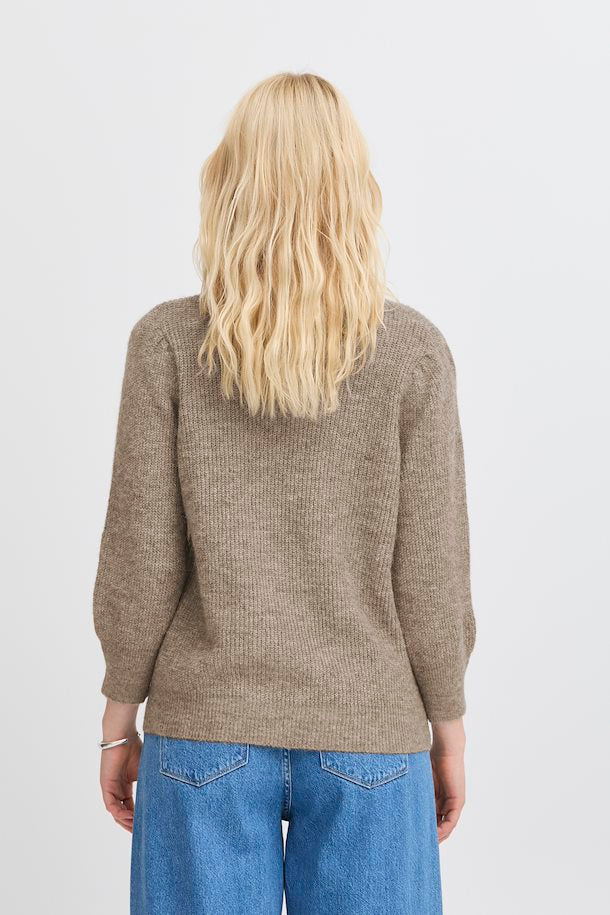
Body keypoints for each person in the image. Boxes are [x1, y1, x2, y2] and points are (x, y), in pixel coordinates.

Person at [94, 71, 476, 915]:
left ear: (229, 185)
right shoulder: (414, 353)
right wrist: (447, 728)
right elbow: (432, 576)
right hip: (371, 735)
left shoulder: (167, 343)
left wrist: (119, 719)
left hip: (203, 732)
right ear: (355, 191)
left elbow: (140, 561)